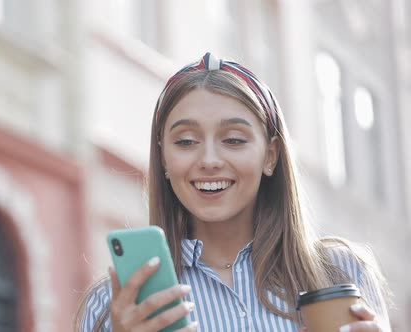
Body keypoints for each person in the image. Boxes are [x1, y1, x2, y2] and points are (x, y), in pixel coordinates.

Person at [75, 53, 392, 332]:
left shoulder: (342, 274)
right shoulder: (116, 309)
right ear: (163, 159)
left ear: (270, 155)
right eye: (186, 141)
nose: (209, 160)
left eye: (234, 140)